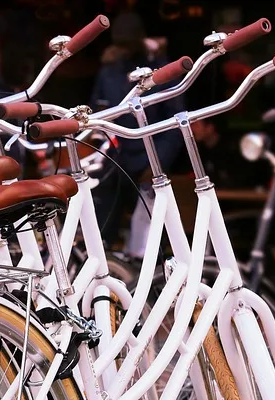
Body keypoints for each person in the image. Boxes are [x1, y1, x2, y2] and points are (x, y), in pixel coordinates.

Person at [89, 10, 185, 249]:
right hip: (114, 160)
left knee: (152, 239)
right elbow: (95, 115)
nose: (125, 49)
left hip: (148, 162)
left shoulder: (160, 71)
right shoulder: (109, 71)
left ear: (139, 39)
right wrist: (100, 156)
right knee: (102, 233)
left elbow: (175, 123)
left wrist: (157, 163)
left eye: (128, 43)